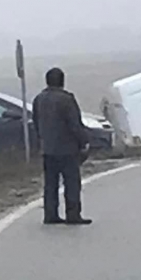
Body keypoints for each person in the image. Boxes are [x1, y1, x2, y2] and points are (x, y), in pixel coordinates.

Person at [32, 67, 92, 225]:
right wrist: (84, 141)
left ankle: (50, 214)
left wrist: (42, 140)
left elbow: (36, 122)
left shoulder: (39, 99)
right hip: (67, 149)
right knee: (71, 182)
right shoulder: (66, 99)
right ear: (62, 81)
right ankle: (73, 214)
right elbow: (74, 124)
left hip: (48, 148)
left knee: (50, 184)